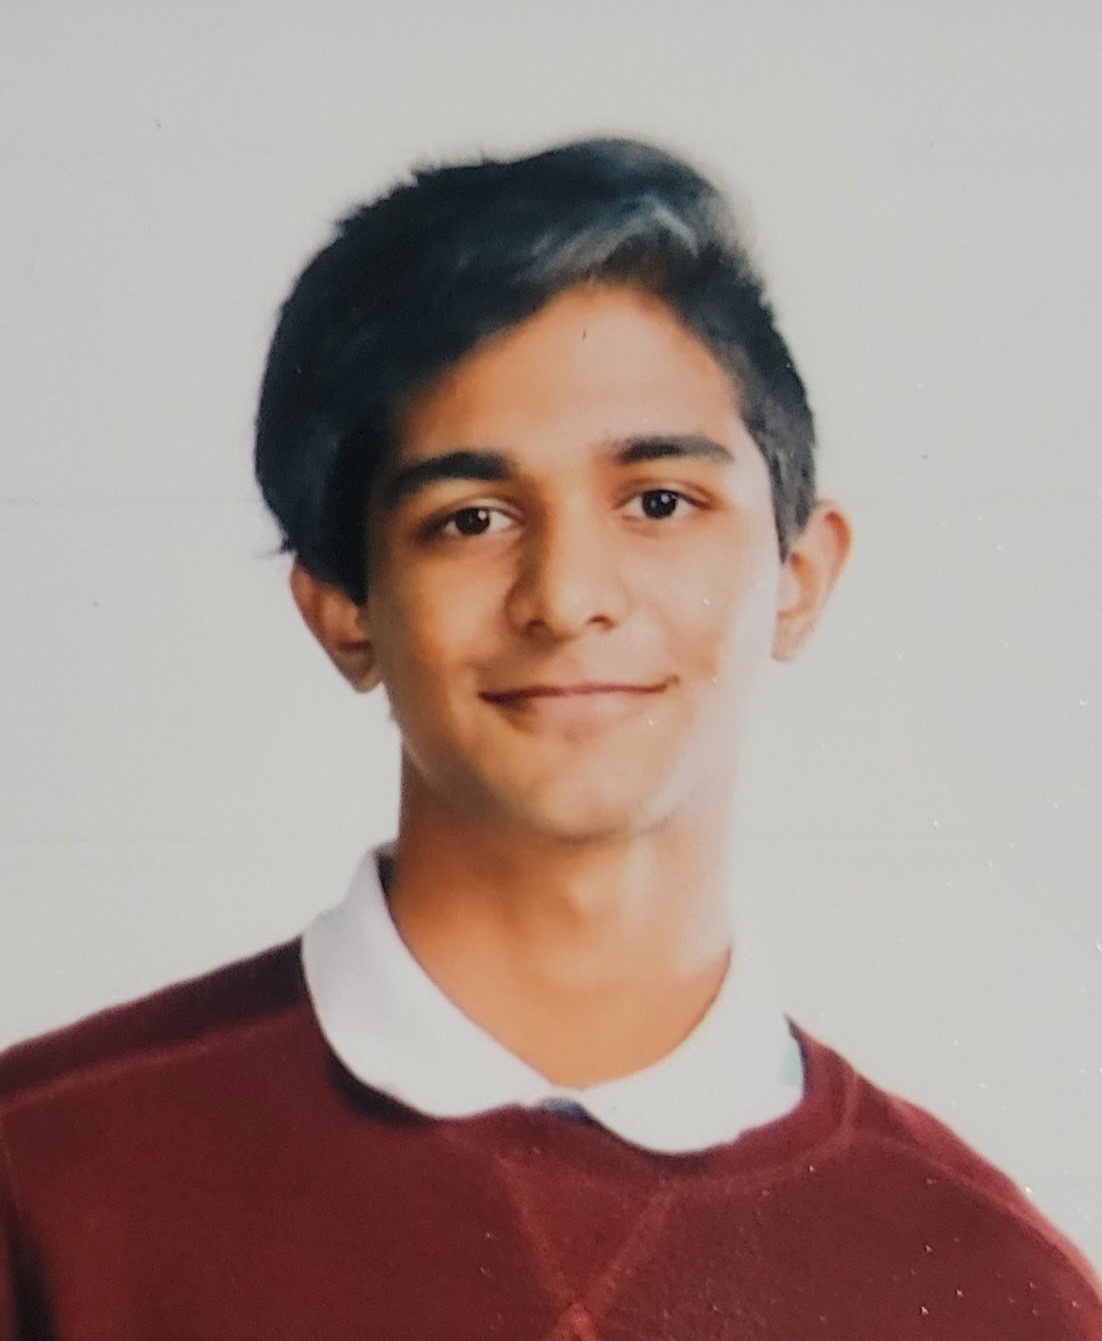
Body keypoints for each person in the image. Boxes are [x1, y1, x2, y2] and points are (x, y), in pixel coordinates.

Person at [1, 137, 1098, 1339]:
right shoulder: (42, 1183)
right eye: (470, 518)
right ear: (345, 612)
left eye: (660, 502)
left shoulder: (1000, 1290)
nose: (568, 597)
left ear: (797, 575)